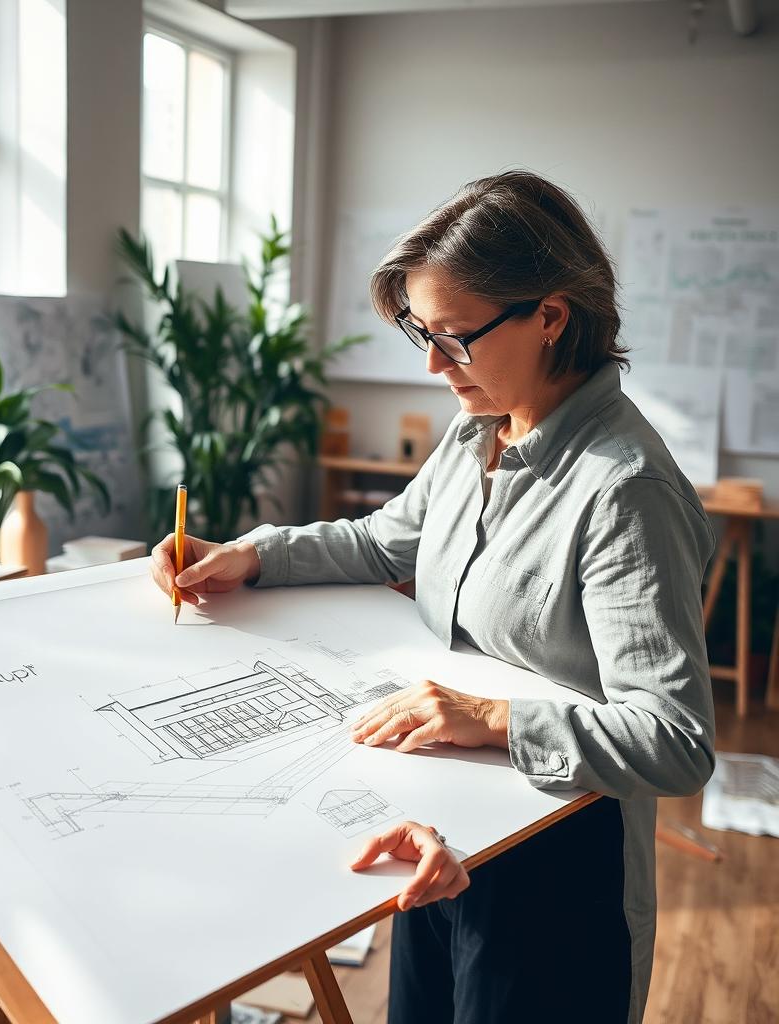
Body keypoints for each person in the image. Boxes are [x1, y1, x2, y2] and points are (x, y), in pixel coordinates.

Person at [150, 169, 715, 1024]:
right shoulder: (477, 431)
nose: (432, 362)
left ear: (551, 318)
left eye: (453, 337)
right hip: (439, 831)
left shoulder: (624, 491)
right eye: (424, 332)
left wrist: (491, 718)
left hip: (558, 875)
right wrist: (250, 556)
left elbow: (675, 739)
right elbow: (384, 539)